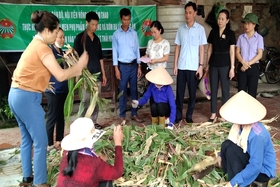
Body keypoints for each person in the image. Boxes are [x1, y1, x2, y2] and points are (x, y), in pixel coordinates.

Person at [8, 10, 88, 187]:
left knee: (28, 139)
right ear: (47, 30)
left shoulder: (34, 44)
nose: (58, 35)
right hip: (26, 98)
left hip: (15, 94)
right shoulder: (43, 47)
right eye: (56, 31)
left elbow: (30, 71)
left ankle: (27, 178)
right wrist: (79, 66)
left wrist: (43, 83)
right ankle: (40, 182)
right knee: (41, 141)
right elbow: (60, 75)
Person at [219, 90, 276, 187]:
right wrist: (220, 156)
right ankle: (229, 175)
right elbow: (232, 142)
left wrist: (234, 182)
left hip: (262, 171)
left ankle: (238, 183)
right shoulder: (239, 125)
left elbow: (256, 166)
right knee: (226, 144)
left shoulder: (257, 135)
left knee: (233, 151)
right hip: (250, 160)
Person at [57, 117, 124, 187]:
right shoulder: (94, 163)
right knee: (107, 181)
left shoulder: (66, 155)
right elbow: (118, 172)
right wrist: (118, 143)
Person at [173, 1, 207, 123]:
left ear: (195, 13)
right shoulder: (180, 29)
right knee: (180, 93)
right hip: (182, 66)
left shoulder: (200, 29)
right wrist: (175, 65)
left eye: (190, 12)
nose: (187, 15)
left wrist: (201, 66)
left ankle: (189, 115)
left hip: (194, 67)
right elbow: (177, 47)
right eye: (186, 13)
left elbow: (202, 48)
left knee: (193, 94)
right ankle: (178, 115)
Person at [74, 11, 107, 127]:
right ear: (86, 22)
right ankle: (82, 123)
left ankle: (93, 122)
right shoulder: (80, 38)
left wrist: (103, 74)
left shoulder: (97, 39)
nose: (95, 27)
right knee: (85, 100)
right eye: (92, 24)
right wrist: (78, 77)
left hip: (96, 75)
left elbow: (100, 58)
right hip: (85, 76)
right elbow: (75, 58)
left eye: (96, 25)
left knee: (96, 100)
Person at [112, 8, 143, 123]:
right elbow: (115, 52)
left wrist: (139, 65)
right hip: (122, 66)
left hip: (134, 65)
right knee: (122, 91)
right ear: (121, 19)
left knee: (134, 91)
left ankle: (134, 114)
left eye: (128, 19)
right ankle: (122, 115)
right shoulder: (116, 35)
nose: (126, 22)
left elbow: (137, 50)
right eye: (124, 19)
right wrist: (116, 68)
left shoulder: (134, 33)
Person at [205, 9, 236, 122]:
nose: (220, 21)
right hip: (213, 63)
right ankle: (213, 113)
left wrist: (232, 68)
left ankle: (224, 114)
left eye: (223, 19)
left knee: (225, 90)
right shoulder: (213, 32)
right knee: (213, 89)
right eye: (219, 18)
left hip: (225, 64)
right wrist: (207, 64)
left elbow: (232, 52)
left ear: (227, 20)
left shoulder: (230, 34)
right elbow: (209, 49)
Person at [45, 27, 68, 151]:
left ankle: (59, 140)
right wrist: (46, 84)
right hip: (53, 89)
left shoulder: (63, 53)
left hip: (63, 88)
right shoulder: (50, 52)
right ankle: (48, 144)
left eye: (63, 37)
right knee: (52, 116)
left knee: (60, 116)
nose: (62, 39)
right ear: (54, 37)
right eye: (60, 37)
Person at [236, 13, 264, 98]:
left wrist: (247, 64)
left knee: (252, 94)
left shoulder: (259, 38)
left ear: (254, 24)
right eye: (245, 23)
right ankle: (241, 111)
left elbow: (260, 54)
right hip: (242, 67)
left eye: (248, 23)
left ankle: (251, 111)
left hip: (253, 67)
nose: (246, 25)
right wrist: (243, 62)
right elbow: (237, 52)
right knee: (241, 93)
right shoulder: (241, 37)